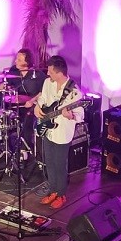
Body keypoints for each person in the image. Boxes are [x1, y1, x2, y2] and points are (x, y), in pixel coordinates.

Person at [32, 55, 84, 209]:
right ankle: (53, 190)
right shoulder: (48, 83)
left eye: (50, 71)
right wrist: (37, 106)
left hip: (62, 132)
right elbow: (43, 98)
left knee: (60, 164)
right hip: (48, 129)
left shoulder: (74, 92)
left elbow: (80, 115)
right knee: (49, 162)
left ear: (59, 73)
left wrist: (70, 115)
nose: (48, 74)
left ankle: (61, 194)